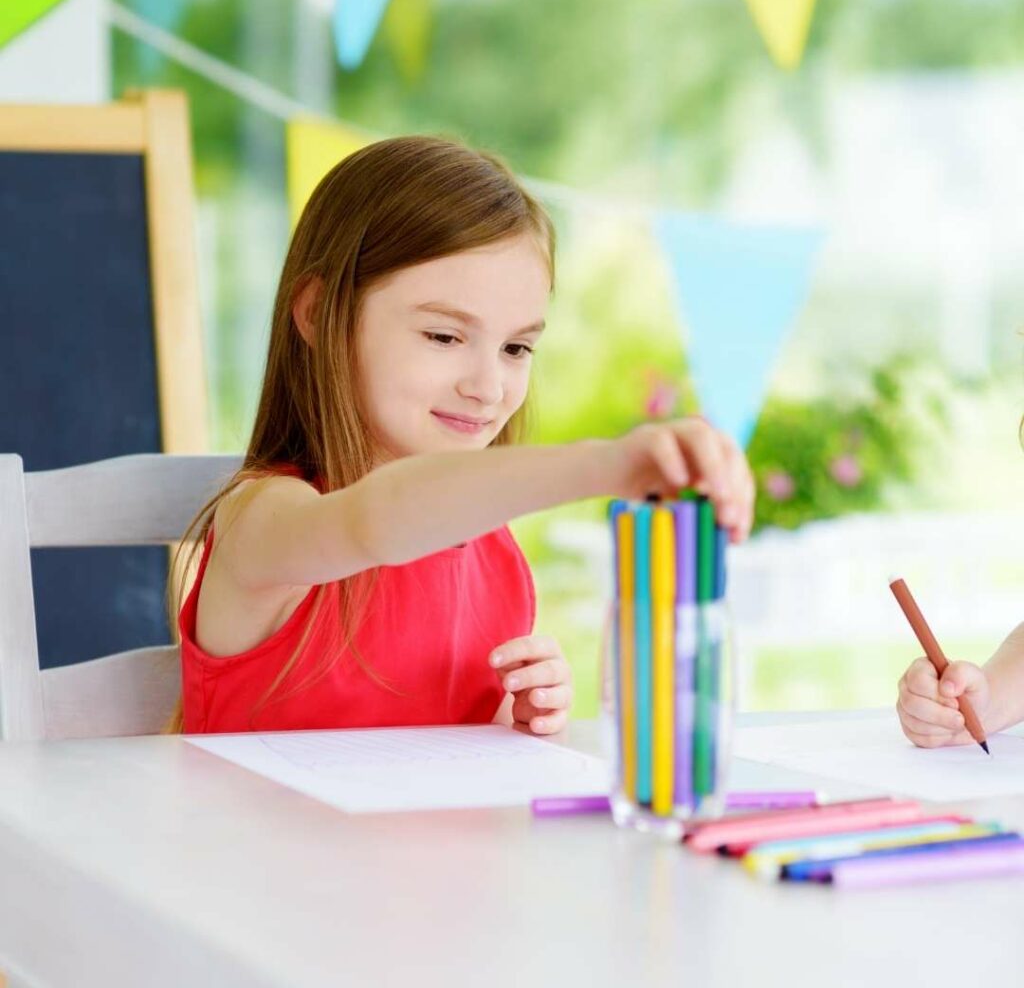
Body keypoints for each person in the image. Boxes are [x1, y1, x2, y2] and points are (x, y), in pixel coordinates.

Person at [168, 136, 754, 736]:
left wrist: (522, 708)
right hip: (252, 832)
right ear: (320, 314)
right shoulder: (264, 521)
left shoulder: (492, 553)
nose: (488, 385)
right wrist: (605, 465)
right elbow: (375, 521)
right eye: (445, 337)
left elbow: (455, 759)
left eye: (516, 348)